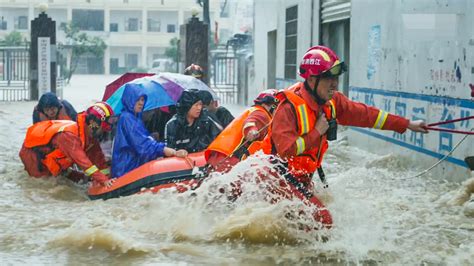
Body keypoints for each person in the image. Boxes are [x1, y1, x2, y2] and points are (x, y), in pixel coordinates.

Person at [262, 45, 429, 227]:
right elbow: (286, 150)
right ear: (311, 80)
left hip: (300, 179)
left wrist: (407, 124)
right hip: (277, 177)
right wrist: (317, 132)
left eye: (336, 78)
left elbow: (366, 115)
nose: (334, 83)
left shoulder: (332, 102)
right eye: (328, 78)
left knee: (307, 222)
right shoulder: (288, 108)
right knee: (324, 221)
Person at [19, 102, 117, 187]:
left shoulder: (89, 136)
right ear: (93, 123)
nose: (103, 133)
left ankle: (65, 173)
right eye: (102, 129)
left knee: (79, 178)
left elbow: (98, 159)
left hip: (52, 153)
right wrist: (103, 180)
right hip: (32, 154)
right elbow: (83, 162)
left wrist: (107, 177)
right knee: (45, 183)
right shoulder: (70, 136)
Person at [111, 84, 187, 178]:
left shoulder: (135, 118)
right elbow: (142, 146)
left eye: (142, 100)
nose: (141, 103)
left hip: (132, 165)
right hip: (127, 168)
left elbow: (140, 140)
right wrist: (167, 150)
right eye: (137, 99)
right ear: (129, 99)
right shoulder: (127, 118)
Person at [205, 89, 279, 173]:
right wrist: (251, 130)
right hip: (230, 161)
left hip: (220, 157)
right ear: (267, 105)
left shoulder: (252, 110)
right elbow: (251, 122)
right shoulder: (262, 114)